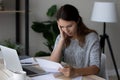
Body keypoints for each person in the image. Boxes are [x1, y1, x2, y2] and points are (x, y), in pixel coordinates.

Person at [50, 4, 101, 78]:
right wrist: (61, 40)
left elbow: (96, 68)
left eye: (69, 26)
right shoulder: (62, 37)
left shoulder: (91, 37)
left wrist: (76, 72)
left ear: (78, 20)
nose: (66, 30)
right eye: (62, 27)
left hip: (87, 77)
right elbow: (52, 63)